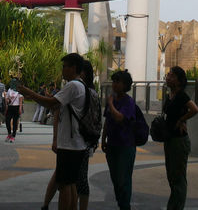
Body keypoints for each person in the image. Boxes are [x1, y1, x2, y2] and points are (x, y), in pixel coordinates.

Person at [19, 53, 88, 210]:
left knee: (64, 185)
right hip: (77, 144)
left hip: (69, 145)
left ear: (74, 68)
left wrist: (29, 93)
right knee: (70, 183)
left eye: (65, 66)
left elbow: (51, 102)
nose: (62, 70)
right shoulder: (81, 86)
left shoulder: (72, 86)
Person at [162, 65, 198, 210]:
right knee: (171, 175)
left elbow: (194, 109)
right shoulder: (169, 95)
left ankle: (177, 206)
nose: (168, 77)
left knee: (178, 176)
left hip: (179, 139)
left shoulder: (182, 96)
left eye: (171, 75)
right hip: (169, 138)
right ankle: (173, 205)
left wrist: (181, 119)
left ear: (178, 80)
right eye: (168, 75)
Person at [102, 69, 138, 210]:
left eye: (118, 82)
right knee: (115, 178)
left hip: (125, 145)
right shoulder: (113, 99)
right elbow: (108, 121)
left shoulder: (128, 102)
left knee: (123, 178)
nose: (114, 85)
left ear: (125, 85)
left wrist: (110, 104)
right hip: (112, 144)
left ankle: (125, 205)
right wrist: (103, 139)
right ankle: (121, 202)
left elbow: (119, 117)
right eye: (114, 81)